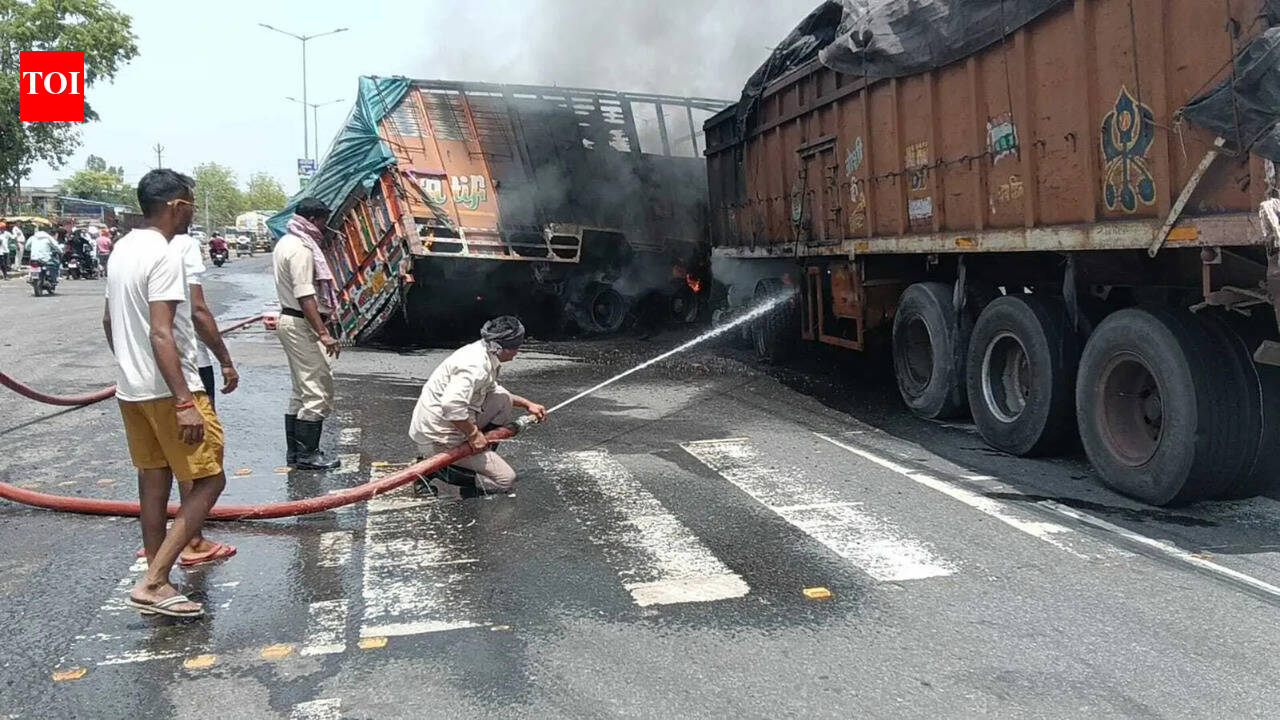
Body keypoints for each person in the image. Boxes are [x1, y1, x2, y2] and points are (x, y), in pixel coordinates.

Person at [103, 169, 227, 619]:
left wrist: (129, 368)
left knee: (153, 483)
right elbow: (162, 333)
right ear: (176, 205)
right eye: (190, 204)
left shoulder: (122, 249)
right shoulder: (166, 254)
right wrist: (182, 400)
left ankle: (159, 581)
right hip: (167, 389)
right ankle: (153, 580)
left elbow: (108, 322)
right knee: (211, 479)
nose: (192, 212)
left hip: (131, 390)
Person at [408, 316, 547, 496]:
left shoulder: (484, 353)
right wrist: (473, 435)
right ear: (499, 348)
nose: (517, 351)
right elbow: (452, 405)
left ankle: (475, 457)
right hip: (436, 435)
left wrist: (528, 404)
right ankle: (435, 469)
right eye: (515, 347)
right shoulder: (475, 366)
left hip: (448, 422)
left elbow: (493, 390)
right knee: (504, 481)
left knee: (503, 399)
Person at [273, 198, 342, 470]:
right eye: (324, 221)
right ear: (313, 220)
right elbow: (305, 294)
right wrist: (323, 333)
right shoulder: (301, 248)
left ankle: (296, 452)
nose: (325, 227)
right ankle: (307, 455)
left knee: (300, 390)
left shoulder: (285, 242)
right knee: (316, 389)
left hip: (291, 321)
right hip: (300, 322)